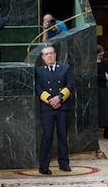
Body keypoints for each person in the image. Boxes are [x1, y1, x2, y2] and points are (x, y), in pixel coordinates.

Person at [35, 45, 74, 175]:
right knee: (47, 136)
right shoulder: (39, 71)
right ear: (42, 57)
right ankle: (44, 166)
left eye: (51, 53)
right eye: (46, 54)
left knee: (63, 135)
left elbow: (70, 84)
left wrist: (60, 98)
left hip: (63, 107)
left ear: (55, 55)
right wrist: (50, 100)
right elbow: (38, 89)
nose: (49, 56)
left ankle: (64, 163)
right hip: (47, 108)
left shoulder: (65, 68)